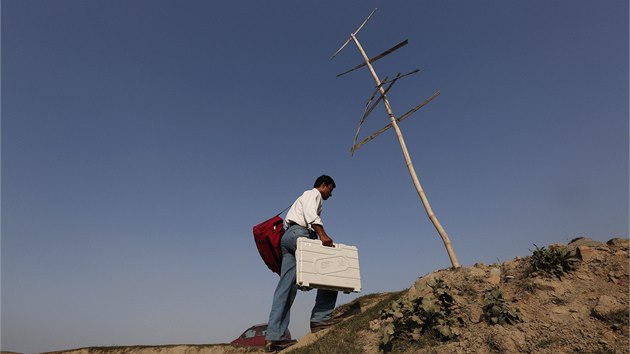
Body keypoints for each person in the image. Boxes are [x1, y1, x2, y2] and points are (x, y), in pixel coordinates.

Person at [264, 175, 341, 352]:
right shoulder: (313, 194)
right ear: (323, 185)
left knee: (285, 288)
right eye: (331, 189)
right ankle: (321, 318)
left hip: (287, 239)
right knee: (331, 268)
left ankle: (274, 338)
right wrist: (322, 235)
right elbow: (310, 214)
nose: (331, 194)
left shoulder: (304, 197)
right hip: (300, 234)